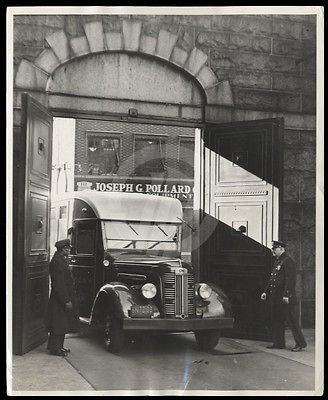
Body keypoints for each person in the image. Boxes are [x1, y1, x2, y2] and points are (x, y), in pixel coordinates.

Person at [260, 240, 307, 352]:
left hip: (285, 297)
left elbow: (290, 280)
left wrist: (286, 295)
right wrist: (266, 291)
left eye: (275, 249)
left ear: (282, 249)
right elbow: (273, 279)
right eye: (273, 249)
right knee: (277, 319)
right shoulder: (278, 261)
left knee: (292, 321)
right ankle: (279, 343)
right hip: (276, 298)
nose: (273, 251)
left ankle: (300, 344)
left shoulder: (288, 261)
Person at [46, 238, 80, 356]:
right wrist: (66, 300)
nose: (69, 250)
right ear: (63, 249)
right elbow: (58, 284)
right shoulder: (57, 262)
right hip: (59, 299)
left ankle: (58, 346)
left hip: (61, 297)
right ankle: (55, 349)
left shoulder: (60, 259)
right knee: (58, 323)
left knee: (62, 323)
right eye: (67, 249)